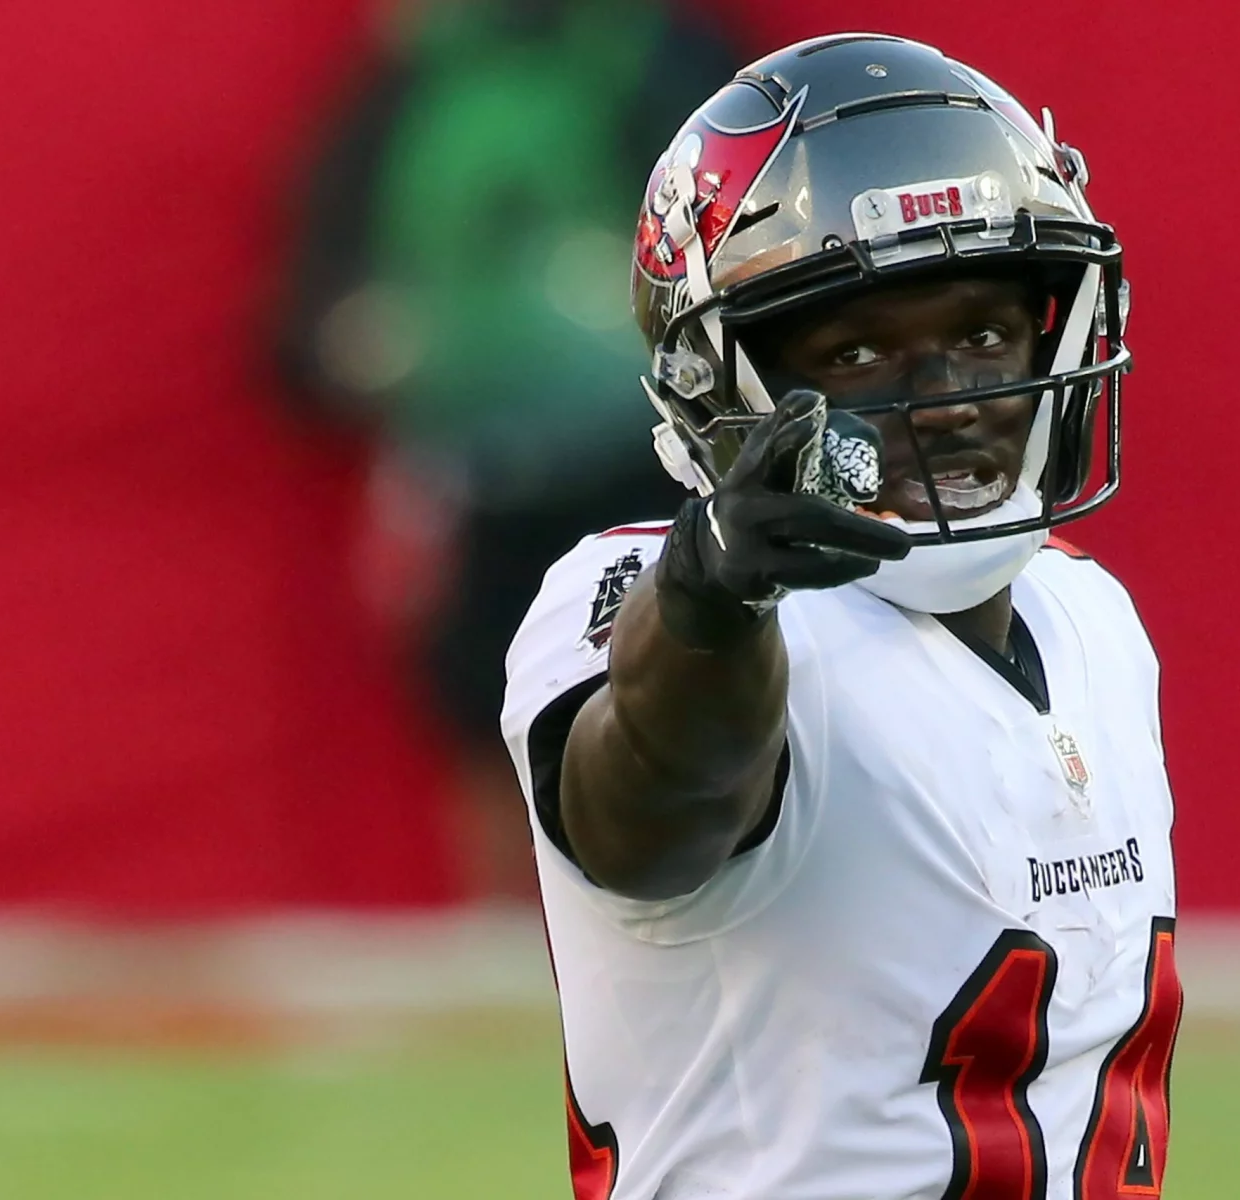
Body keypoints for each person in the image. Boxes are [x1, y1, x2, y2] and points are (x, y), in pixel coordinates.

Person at [501, 33, 1182, 1198]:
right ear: (723, 381)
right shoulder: (651, 595)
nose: (949, 399)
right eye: (859, 350)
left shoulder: (1090, 619)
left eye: (981, 334)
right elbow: (650, 819)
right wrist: (712, 601)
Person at [276, 0, 737, 898]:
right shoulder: (408, 83)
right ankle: (527, 936)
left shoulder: (660, 59)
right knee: (498, 729)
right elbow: (311, 320)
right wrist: (358, 343)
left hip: (648, 470)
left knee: (675, 715)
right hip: (472, 484)